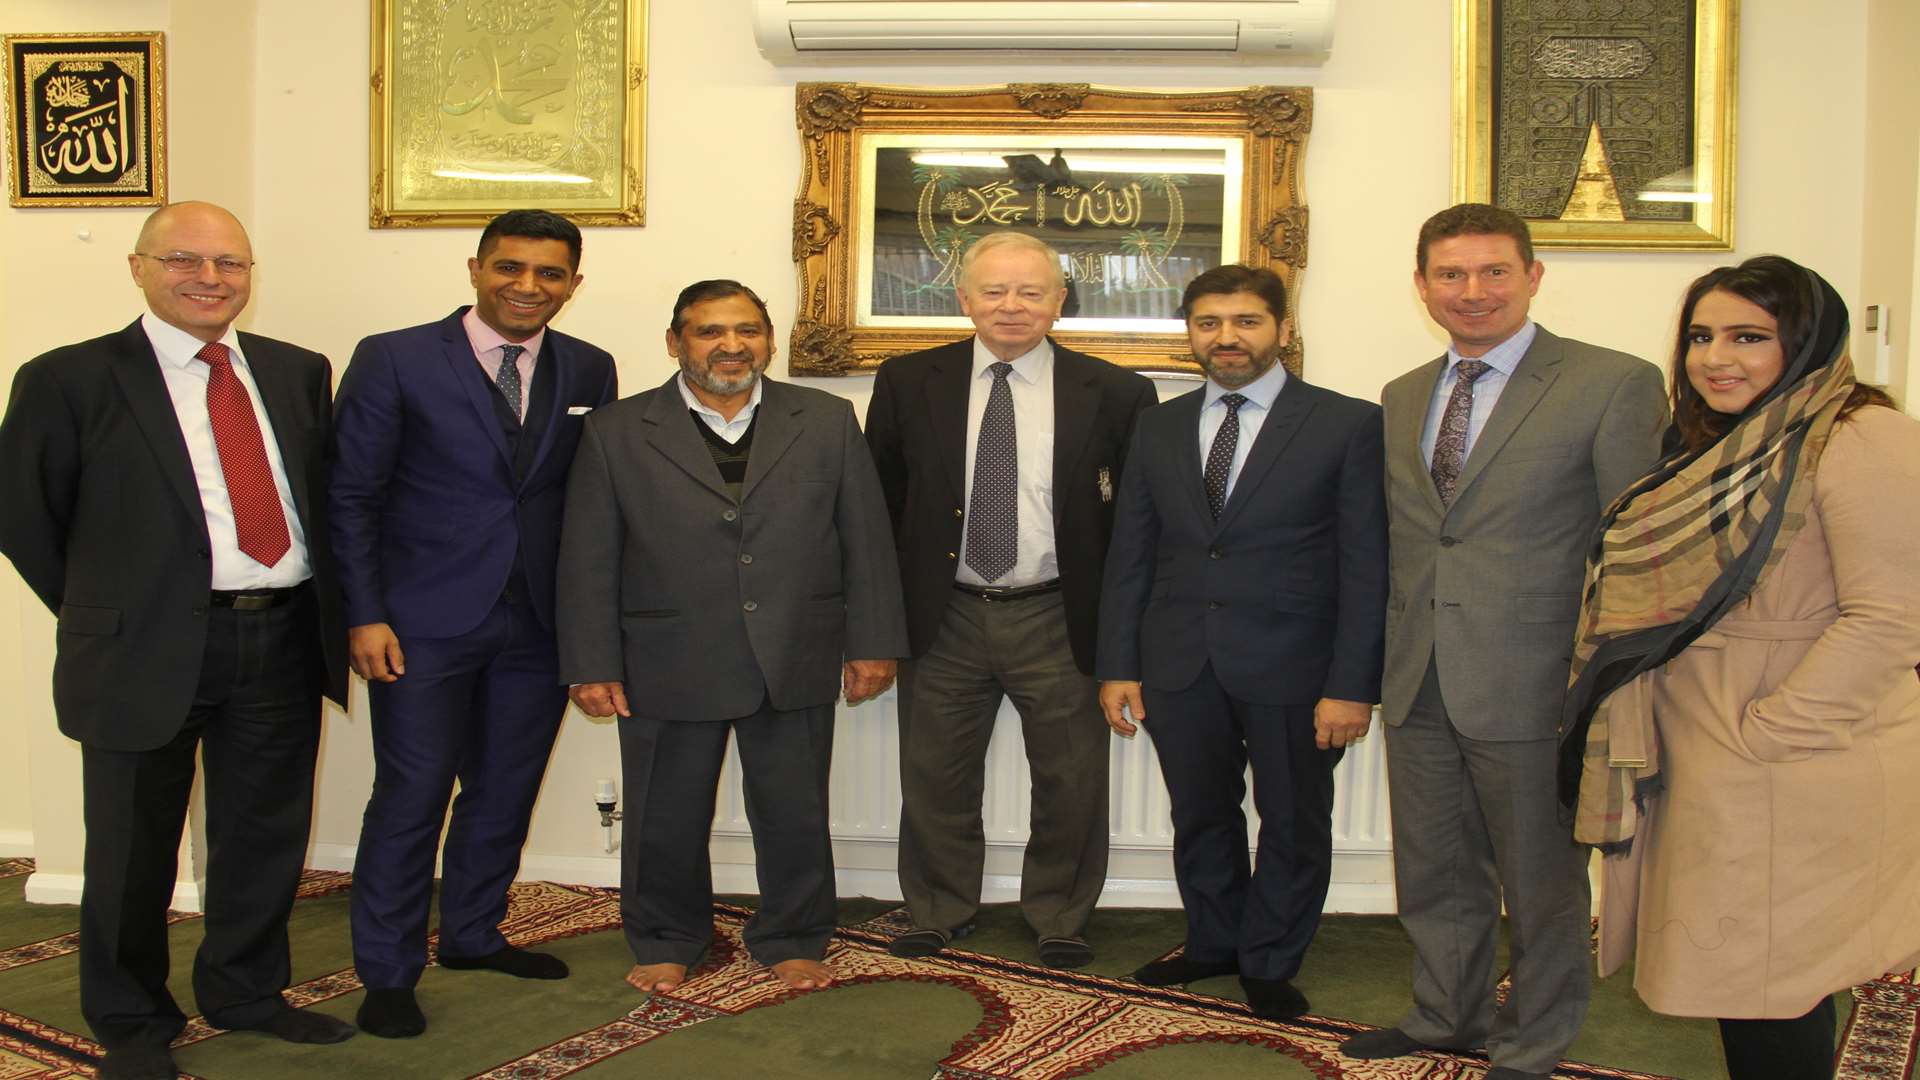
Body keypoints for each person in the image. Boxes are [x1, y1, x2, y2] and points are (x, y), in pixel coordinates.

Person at [0, 202, 354, 1080]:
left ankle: (244, 992)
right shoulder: (68, 378)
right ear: (138, 267)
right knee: (130, 848)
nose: (209, 278)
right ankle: (129, 1021)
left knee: (264, 833)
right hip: (141, 651)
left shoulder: (296, 371)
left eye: (230, 263)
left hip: (277, 637)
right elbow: (25, 517)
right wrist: (107, 612)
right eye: (185, 260)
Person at [1563, 256, 1920, 1080]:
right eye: (1701, 335)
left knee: (1771, 976)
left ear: (1807, 342)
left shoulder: (1863, 437)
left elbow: (1893, 618)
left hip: (1792, 755)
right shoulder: (1722, 443)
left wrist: (1768, 734)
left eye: (1748, 337)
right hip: (1711, 744)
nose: (1714, 357)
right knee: (1745, 974)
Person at [1341, 203, 1667, 1080]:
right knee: (1436, 868)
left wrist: (1598, 680)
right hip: (1419, 675)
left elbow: (1630, 547)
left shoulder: (1614, 382)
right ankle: (1444, 1014)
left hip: (1533, 680)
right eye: (1451, 274)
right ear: (1422, 286)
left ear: (1533, 276)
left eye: (1494, 272)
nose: (1473, 291)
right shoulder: (1405, 393)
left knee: (1540, 880)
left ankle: (1534, 1039)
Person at [557, 280, 908, 995]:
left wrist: (873, 642)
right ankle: (664, 937)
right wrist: (590, 661)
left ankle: (794, 935)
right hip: (665, 654)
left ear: (770, 341)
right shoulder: (616, 431)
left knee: (794, 809)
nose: (731, 345)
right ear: (675, 342)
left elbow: (866, 540)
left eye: (748, 330)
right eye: (709, 331)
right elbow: (588, 555)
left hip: (795, 648)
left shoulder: (828, 418)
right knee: (663, 812)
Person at [330, 209, 618, 1038]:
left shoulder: (590, 369)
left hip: (537, 625)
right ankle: (387, 971)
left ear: (573, 284)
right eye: (510, 268)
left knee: (503, 792)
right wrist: (366, 613)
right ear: (475, 268)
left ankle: (472, 934)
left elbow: (588, 503)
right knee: (411, 795)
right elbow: (352, 495)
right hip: (421, 624)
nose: (527, 287)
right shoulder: (395, 357)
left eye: (549, 274)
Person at [1094, 265, 1387, 1019]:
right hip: (1179, 660)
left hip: (1296, 664)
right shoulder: (1158, 423)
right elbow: (1133, 549)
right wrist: (1119, 663)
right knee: (1200, 812)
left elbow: (1366, 564)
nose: (1228, 338)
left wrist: (1353, 684)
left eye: (1248, 321)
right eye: (1209, 323)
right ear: (1190, 333)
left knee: (1293, 817)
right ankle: (1213, 941)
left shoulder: (1346, 423)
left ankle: (1269, 957)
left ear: (1283, 330)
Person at [865, 231, 1157, 968]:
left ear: (1060, 301)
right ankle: (937, 908)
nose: (1012, 306)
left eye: (1031, 291)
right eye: (994, 290)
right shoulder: (907, 383)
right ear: (964, 299)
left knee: (1071, 778)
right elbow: (880, 508)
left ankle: (1059, 914)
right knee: (934, 774)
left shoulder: (1119, 393)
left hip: (1059, 613)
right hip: (945, 611)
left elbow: (1136, 525)